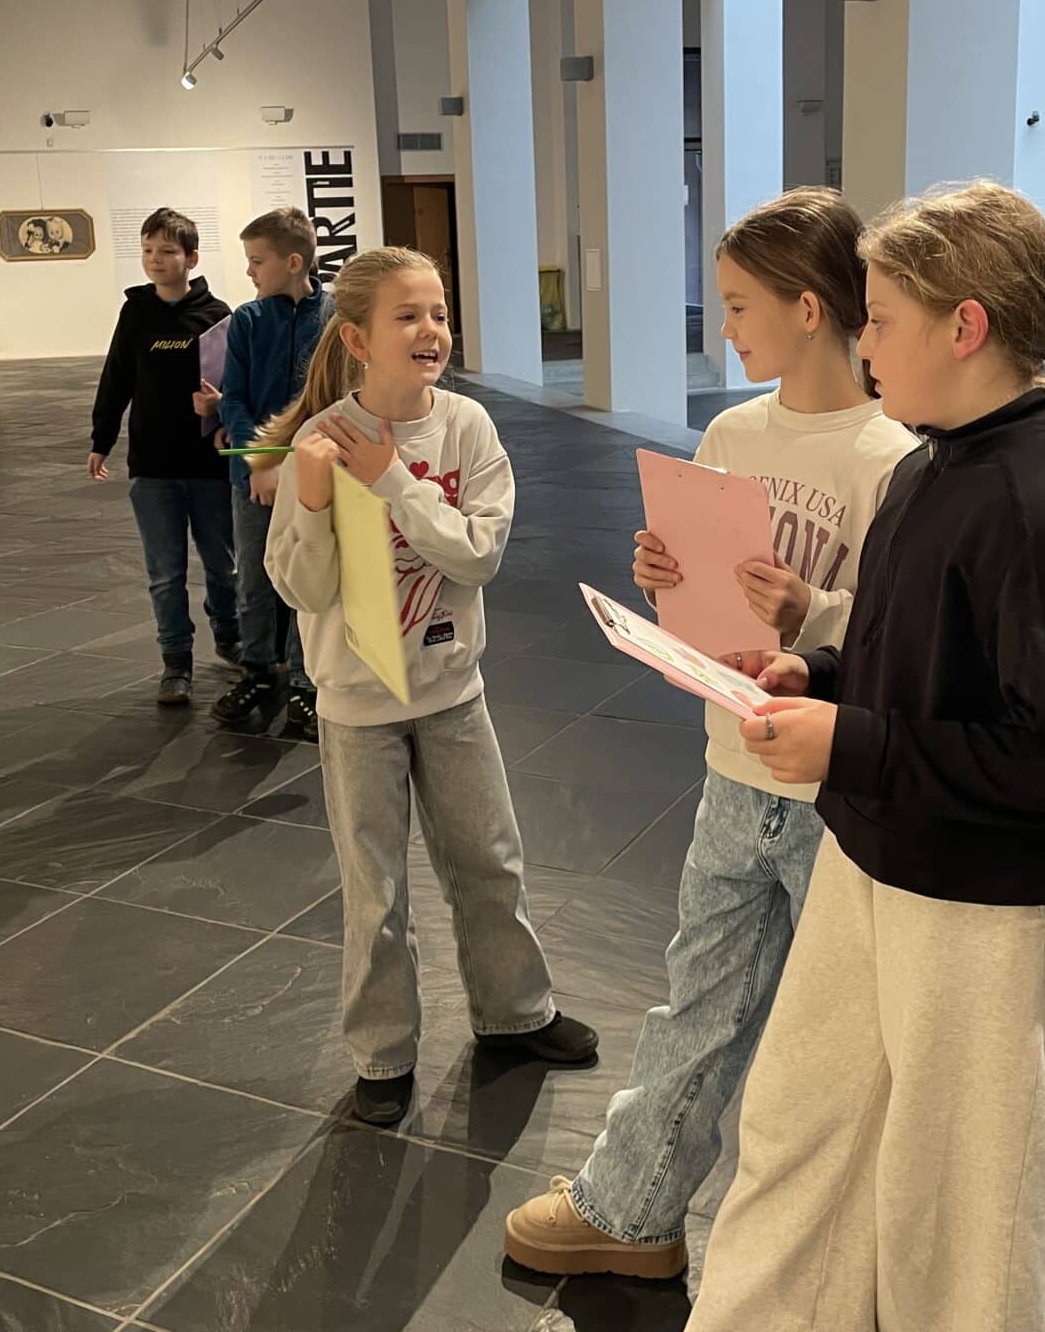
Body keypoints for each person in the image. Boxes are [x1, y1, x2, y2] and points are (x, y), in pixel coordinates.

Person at [685, 180, 1045, 1332]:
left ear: (964, 328)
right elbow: (910, 660)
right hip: (871, 852)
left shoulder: (1044, 509)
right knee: (799, 1138)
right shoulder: (923, 468)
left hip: (982, 907)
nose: (864, 343)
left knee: (958, 1213)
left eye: (881, 320)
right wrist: (819, 676)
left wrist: (854, 739)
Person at [501, 188, 917, 1280]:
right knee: (697, 996)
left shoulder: (889, 458)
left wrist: (811, 611)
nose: (722, 327)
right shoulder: (732, 433)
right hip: (732, 766)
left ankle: (840, 1258)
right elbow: (707, 604)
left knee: (841, 1037)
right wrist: (666, 580)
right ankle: (632, 1211)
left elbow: (905, 640)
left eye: (737, 305)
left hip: (834, 792)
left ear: (809, 307)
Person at [260, 246, 599, 1127]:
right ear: (356, 339)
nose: (431, 330)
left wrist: (392, 481)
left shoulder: (466, 428)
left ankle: (516, 1012)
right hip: (356, 706)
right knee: (374, 889)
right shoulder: (319, 440)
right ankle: (382, 1054)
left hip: (453, 693)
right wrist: (312, 497)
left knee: (491, 858)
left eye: (439, 313)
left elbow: (478, 555)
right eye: (407, 315)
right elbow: (303, 590)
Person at [86, 207, 236, 703]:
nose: (155, 259)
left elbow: (237, 384)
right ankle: (176, 661)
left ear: (191, 258)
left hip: (210, 464)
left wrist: (225, 409)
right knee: (166, 573)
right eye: (148, 250)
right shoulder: (135, 314)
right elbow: (116, 378)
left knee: (224, 564)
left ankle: (230, 635)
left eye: (167, 251)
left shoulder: (217, 315)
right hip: (152, 466)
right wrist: (102, 439)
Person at [216, 206, 331, 739]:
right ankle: (259, 671)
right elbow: (234, 400)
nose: (249, 271)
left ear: (293, 262)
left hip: (316, 478)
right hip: (254, 480)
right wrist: (259, 463)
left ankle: (306, 683)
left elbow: (335, 400)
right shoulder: (246, 321)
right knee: (255, 580)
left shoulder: (336, 320)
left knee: (309, 576)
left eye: (257, 261)